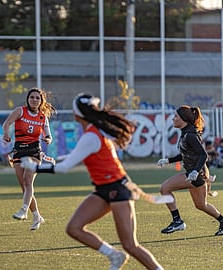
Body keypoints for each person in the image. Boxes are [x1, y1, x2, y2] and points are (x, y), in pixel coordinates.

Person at [21, 94, 164, 270]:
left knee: (130, 245)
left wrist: (35, 167)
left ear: (76, 115)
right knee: (74, 228)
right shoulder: (92, 133)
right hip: (103, 189)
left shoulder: (91, 135)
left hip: (118, 189)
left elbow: (64, 168)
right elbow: (83, 157)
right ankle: (114, 255)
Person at [156, 105, 223, 236]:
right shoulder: (186, 133)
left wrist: (195, 172)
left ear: (184, 119)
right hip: (197, 174)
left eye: (176, 116)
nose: (173, 119)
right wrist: (168, 160)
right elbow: (186, 154)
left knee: (164, 188)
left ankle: (177, 221)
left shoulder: (190, 135)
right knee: (201, 205)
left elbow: (204, 155)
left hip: (196, 174)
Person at [2, 87, 56, 230]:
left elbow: (48, 134)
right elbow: (6, 123)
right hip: (19, 151)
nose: (34, 100)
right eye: (32, 97)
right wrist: (6, 134)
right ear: (28, 99)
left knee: (28, 180)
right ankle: (37, 216)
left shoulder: (42, 117)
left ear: (41, 101)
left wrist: (48, 139)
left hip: (34, 151)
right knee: (25, 187)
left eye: (37, 98)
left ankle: (24, 210)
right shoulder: (20, 111)